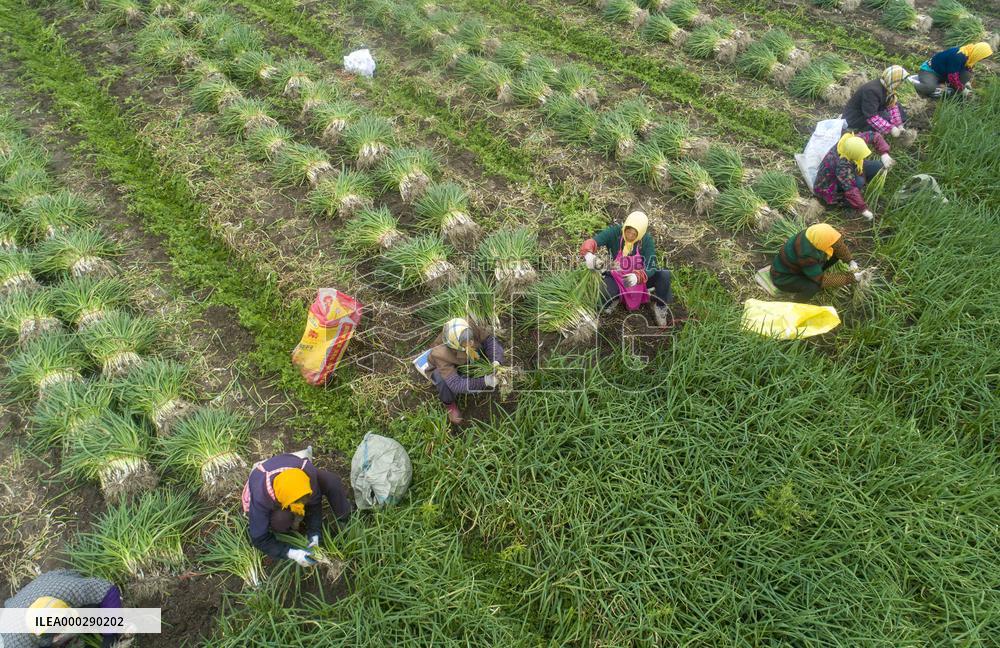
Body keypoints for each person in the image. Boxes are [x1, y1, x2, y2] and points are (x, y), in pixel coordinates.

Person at [241, 448, 353, 567]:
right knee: (281, 519)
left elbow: (315, 504)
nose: (304, 503)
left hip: (293, 476)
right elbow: (258, 538)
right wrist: (291, 553)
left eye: (305, 499)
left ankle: (344, 518)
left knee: (331, 481)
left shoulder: (307, 473)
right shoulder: (261, 495)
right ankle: (289, 528)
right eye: (298, 502)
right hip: (271, 492)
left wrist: (314, 534)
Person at [579, 211, 673, 327]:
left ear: (641, 233)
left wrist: (638, 276)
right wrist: (588, 254)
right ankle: (609, 302)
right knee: (604, 294)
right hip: (619, 277)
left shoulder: (646, 240)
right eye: (628, 232)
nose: (630, 236)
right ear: (624, 228)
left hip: (637, 279)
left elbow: (651, 265)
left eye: (635, 234)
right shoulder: (615, 232)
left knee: (664, 275)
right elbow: (594, 241)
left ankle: (660, 307)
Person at [2, 570, 129, 648]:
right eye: (54, 635)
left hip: (56, 581)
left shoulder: (73, 590)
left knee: (96, 611)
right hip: (13, 616)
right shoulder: (18, 642)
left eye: (59, 632)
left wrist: (109, 634)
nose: (57, 638)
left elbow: (109, 591)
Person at [426, 317, 504, 425]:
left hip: (465, 358)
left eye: (471, 339)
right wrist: (485, 381)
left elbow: (490, 340)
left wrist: (496, 360)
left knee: (483, 347)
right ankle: (449, 404)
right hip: (445, 369)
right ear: (455, 345)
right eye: (466, 343)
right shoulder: (440, 353)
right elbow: (455, 384)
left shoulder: (467, 326)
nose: (471, 343)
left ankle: (474, 370)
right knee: (441, 380)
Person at [769, 224, 864, 301]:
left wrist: (850, 261)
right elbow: (822, 280)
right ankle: (796, 303)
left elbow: (838, 246)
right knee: (814, 286)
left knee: (836, 254)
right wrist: (851, 278)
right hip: (784, 277)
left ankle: (813, 273)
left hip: (801, 267)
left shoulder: (813, 235)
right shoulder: (806, 255)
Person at [813, 132, 892, 220]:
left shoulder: (853, 141)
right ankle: (847, 204)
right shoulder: (842, 165)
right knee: (859, 182)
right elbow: (850, 189)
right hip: (829, 185)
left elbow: (874, 136)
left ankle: (861, 187)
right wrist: (863, 209)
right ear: (853, 155)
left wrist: (884, 154)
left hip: (852, 165)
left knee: (878, 166)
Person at [843, 65, 911, 140]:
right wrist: (891, 129)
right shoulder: (872, 91)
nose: (901, 85)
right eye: (900, 82)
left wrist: (899, 125)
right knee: (885, 116)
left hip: (867, 113)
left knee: (897, 105)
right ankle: (865, 133)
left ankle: (901, 130)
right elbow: (871, 116)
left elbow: (892, 106)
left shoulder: (887, 87)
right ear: (894, 80)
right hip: (853, 118)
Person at [910, 42, 993, 99]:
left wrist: (965, 84)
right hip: (930, 71)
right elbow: (953, 77)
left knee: (967, 75)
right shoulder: (958, 55)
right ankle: (909, 81)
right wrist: (963, 90)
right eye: (982, 57)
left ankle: (942, 88)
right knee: (929, 88)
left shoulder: (970, 55)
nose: (981, 59)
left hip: (944, 73)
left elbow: (967, 70)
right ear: (979, 52)